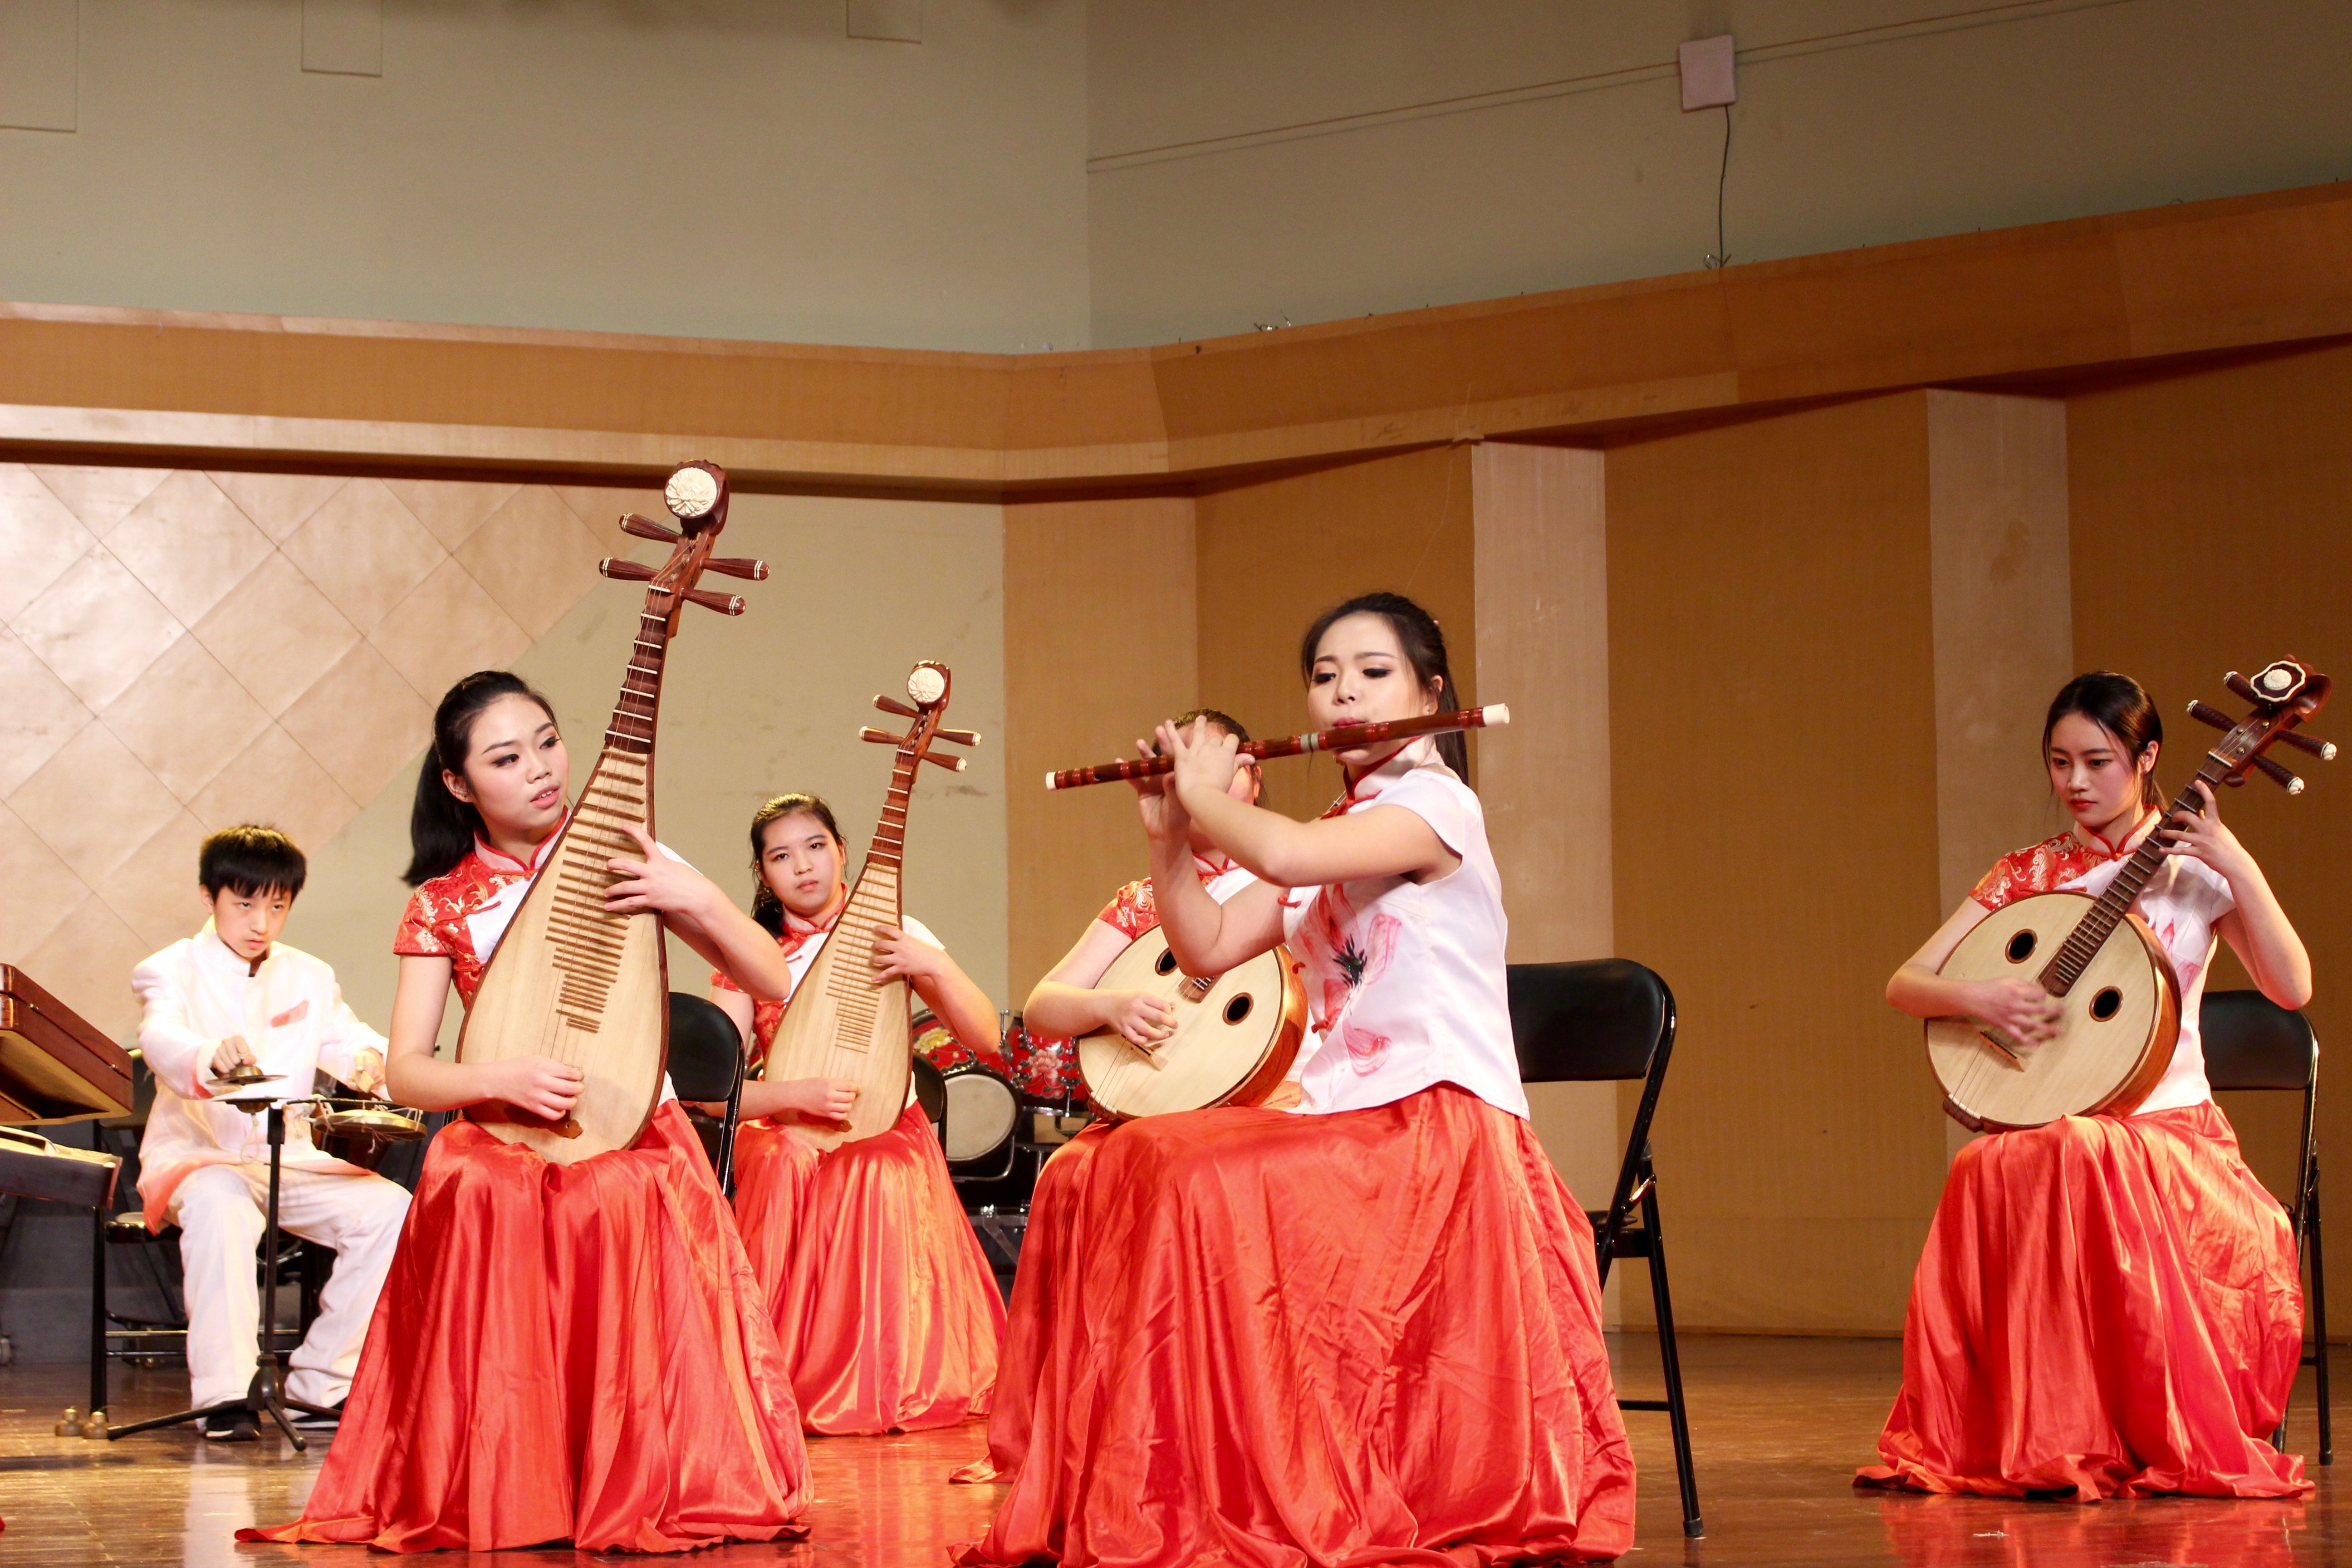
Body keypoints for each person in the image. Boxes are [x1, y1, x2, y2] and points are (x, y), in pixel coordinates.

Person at [957, 594, 1635, 1567]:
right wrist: (1166, 836)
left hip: (1435, 1132)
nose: (1346, 694)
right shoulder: (1340, 822)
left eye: (1374, 673)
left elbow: (1277, 851)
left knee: (1193, 1174)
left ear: (1431, 692)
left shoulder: (1434, 805)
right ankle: (1187, 1482)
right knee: (1129, 1159)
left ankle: (1231, 1483)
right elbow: (1206, 942)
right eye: (1326, 677)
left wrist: (1207, 795)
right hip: (1347, 1123)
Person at [244, 671, 808, 1553]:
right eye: (507, 758)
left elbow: (770, 979)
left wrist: (690, 894)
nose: (541, 768)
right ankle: (524, 1487)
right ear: (460, 784)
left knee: (620, 1201)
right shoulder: (443, 903)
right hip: (510, 1146)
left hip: (635, 1135)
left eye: (548, 741)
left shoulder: (627, 853)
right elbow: (408, 1072)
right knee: (476, 1184)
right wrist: (497, 1077)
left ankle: (639, 1480)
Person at [1862, 671, 2313, 1499]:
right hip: (2064, 1131)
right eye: (2059, 761)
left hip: (2172, 1137)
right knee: (1985, 1164)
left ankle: (2112, 1427)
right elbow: (1905, 983)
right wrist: (1983, 996)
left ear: (2148, 758)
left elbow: (2293, 988)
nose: (2075, 782)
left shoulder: (2196, 873)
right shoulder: (2028, 873)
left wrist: (2237, 864)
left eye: (2098, 762)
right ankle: (2032, 1432)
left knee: (2080, 1150)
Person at [955, 707, 1308, 1485]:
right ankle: (1098, 1419)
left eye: (1219, 767)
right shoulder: (1145, 899)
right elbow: (1044, 1006)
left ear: (1252, 781)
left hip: (1273, 1096)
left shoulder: (1293, 874)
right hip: (1163, 1100)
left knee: (1175, 1168)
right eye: (1181, 770)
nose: (1200, 784)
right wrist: (1110, 1007)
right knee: (1071, 1172)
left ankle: (1211, 1416)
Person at [700, 790, 1008, 1434]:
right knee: (782, 1158)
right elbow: (711, 1092)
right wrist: (792, 1097)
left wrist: (933, 963)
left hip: (887, 1128)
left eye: (816, 847)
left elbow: (985, 1037)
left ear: (843, 851)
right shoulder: (752, 953)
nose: (803, 866)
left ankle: (879, 1377)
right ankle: (773, 1376)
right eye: (782, 857)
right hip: (785, 1125)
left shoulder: (896, 930)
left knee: (875, 1171)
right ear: (763, 874)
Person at [130, 825, 410, 1442]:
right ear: (209, 897)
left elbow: (348, 1039)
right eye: (245, 904)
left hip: (290, 1157)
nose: (261, 923)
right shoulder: (168, 970)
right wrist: (206, 1055)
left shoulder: (309, 974)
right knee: (221, 1200)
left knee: (390, 1210)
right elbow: (159, 1037)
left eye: (278, 907)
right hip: (199, 1157)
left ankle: (323, 1383)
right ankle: (226, 1395)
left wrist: (371, 1062)